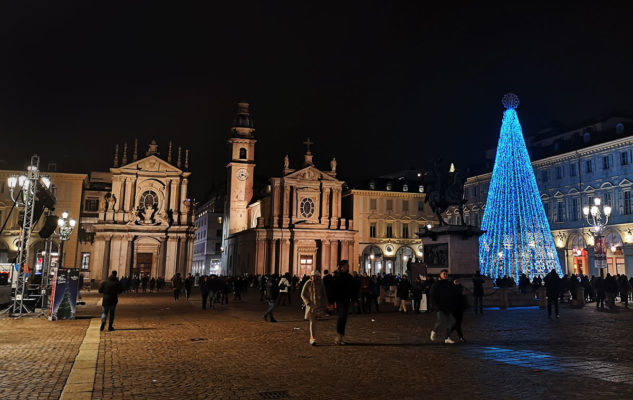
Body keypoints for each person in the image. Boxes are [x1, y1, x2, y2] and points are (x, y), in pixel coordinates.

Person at [327, 260, 358, 345]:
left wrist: (355, 299)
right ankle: (339, 336)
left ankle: (341, 335)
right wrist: (331, 302)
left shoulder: (349, 277)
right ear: (342, 267)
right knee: (342, 316)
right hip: (339, 300)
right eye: (347, 265)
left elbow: (353, 289)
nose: (348, 267)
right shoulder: (336, 277)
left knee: (344, 318)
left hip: (346, 300)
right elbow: (331, 290)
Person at [301, 270, 329, 345]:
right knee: (312, 322)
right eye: (313, 276)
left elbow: (324, 294)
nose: (314, 277)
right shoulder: (308, 283)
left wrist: (326, 304)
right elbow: (302, 294)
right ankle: (312, 338)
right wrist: (308, 302)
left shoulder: (321, 284)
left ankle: (312, 336)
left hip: (319, 306)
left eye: (315, 276)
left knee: (315, 322)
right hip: (311, 306)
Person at [429, 269, 456, 344]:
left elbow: (452, 293)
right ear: (440, 274)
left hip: (448, 306)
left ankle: (447, 337)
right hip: (439, 306)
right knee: (440, 320)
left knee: (451, 322)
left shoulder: (449, 283)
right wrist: (434, 305)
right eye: (444, 274)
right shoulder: (436, 284)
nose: (445, 275)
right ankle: (434, 331)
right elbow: (432, 295)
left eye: (446, 274)